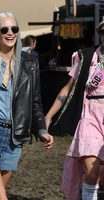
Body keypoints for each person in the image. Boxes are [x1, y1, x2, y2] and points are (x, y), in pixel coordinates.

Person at [0, 11, 53, 200]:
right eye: (5, 29)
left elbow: (35, 103)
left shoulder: (30, 63)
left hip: (15, 138)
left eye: (14, 28)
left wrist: (42, 130)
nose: (10, 32)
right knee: (1, 196)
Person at [45, 20, 104, 200]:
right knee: (91, 171)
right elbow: (67, 89)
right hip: (90, 117)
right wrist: (49, 115)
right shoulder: (87, 57)